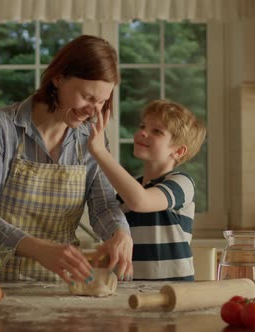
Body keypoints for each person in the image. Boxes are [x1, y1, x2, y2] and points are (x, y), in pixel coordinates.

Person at [0, 35, 133, 284]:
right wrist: (40, 249)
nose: (92, 111)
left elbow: (103, 206)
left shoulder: (91, 137)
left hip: (63, 284)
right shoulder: (0, 126)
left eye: (102, 102)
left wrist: (120, 233)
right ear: (58, 78)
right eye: (87, 97)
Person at [87, 99, 206, 281]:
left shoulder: (182, 182)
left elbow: (140, 201)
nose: (142, 132)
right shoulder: (129, 191)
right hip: (131, 290)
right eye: (143, 126)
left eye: (156, 131)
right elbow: (119, 232)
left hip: (174, 291)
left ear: (179, 151)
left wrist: (100, 153)